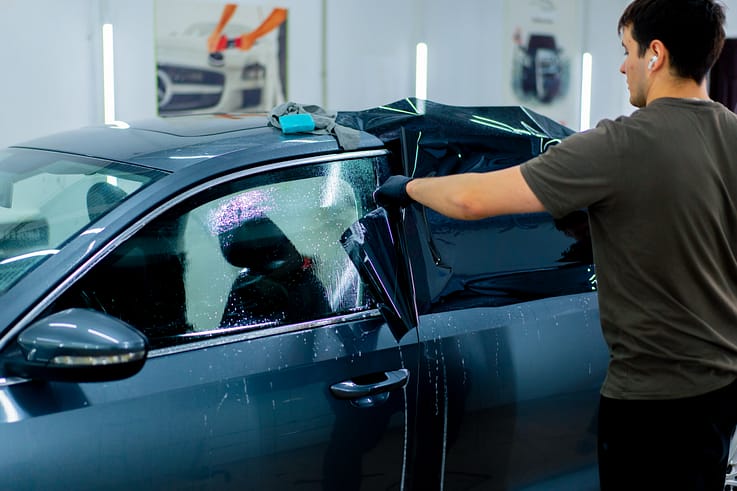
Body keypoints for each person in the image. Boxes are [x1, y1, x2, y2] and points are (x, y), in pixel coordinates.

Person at [374, 1, 737, 489]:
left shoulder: (618, 145)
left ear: (656, 54)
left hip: (652, 404)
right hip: (720, 392)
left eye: (627, 50)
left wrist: (407, 187)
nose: (621, 65)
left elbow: (471, 200)